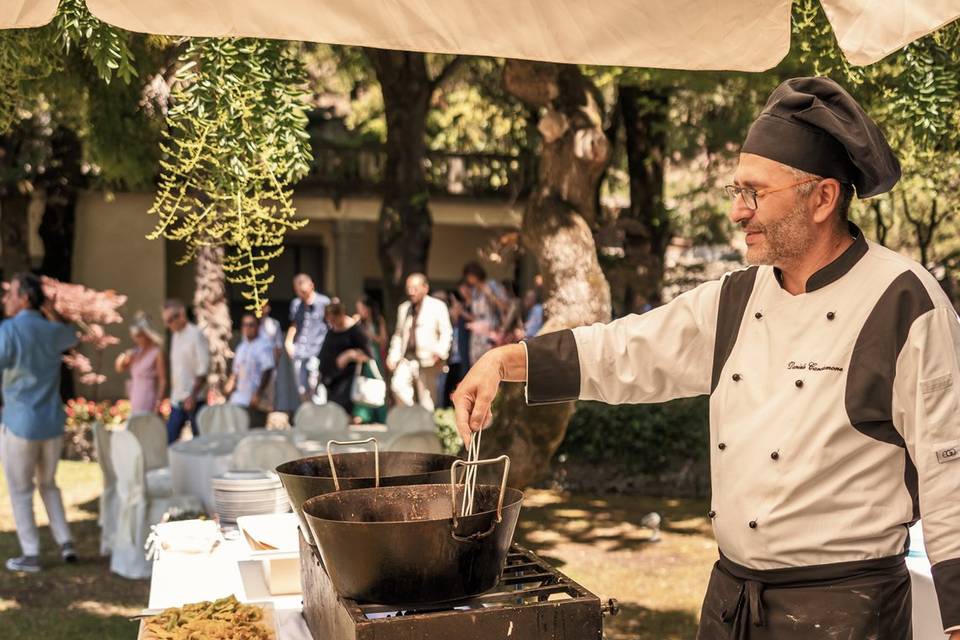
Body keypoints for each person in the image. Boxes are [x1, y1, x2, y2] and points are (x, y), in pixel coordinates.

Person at [453, 77, 960, 640]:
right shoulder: (736, 297)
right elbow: (626, 350)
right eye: (735, 191)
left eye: (756, 193)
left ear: (822, 198)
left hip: (847, 611)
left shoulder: (904, 301)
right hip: (731, 603)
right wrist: (505, 361)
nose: (739, 212)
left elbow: (950, 472)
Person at [0, 273, 78, 572]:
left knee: (21, 490)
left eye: (11, 294)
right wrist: (51, 309)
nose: (6, 299)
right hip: (51, 422)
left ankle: (31, 553)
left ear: (25, 298)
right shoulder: (51, 329)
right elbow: (71, 335)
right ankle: (66, 543)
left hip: (20, 423)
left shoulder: (10, 329)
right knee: (48, 484)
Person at [387, 273, 453, 411]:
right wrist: (393, 356)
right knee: (397, 386)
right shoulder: (404, 308)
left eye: (415, 288)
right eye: (409, 288)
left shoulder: (437, 306)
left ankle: (425, 429)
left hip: (428, 360)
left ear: (425, 288)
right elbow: (398, 335)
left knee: (427, 400)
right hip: (407, 358)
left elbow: (446, 332)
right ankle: (411, 418)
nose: (411, 292)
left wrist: (440, 352)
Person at [162, 299, 209, 443]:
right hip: (177, 400)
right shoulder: (175, 336)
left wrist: (193, 396)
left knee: (199, 444)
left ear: (181, 313)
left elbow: (203, 369)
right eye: (166, 321)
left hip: (195, 400)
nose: (169, 324)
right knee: (169, 442)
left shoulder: (196, 334)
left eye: (171, 319)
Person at [317, 302, 370, 416]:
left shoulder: (355, 330)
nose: (332, 323)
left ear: (341, 314)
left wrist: (349, 355)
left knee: (342, 412)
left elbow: (367, 355)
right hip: (332, 380)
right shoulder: (331, 332)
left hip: (348, 381)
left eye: (334, 319)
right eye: (329, 320)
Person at [285, 274, 331, 403]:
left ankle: (320, 417)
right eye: (298, 292)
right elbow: (294, 324)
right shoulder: (296, 304)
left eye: (304, 292)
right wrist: (288, 342)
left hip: (316, 351)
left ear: (311, 286)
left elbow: (331, 326)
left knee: (315, 385)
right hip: (299, 350)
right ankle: (309, 417)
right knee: (301, 389)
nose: (302, 295)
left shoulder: (324, 302)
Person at [225, 313, 275, 427]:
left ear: (257, 326)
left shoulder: (264, 345)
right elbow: (236, 372)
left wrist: (258, 394)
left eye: (251, 325)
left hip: (256, 402)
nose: (247, 328)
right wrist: (228, 388)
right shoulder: (241, 347)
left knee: (254, 435)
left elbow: (267, 370)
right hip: (238, 400)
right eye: (245, 325)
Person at [114, 313, 166, 415]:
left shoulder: (157, 352)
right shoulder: (136, 352)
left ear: (147, 335)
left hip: (148, 395)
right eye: (134, 336)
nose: (136, 339)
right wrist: (124, 356)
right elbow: (119, 368)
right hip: (135, 394)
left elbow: (163, 380)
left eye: (139, 336)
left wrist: (158, 402)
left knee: (144, 425)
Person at [462, 262, 509, 364]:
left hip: (490, 331)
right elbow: (476, 315)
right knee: (475, 364)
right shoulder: (474, 291)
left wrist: (490, 295)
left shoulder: (492, 285)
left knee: (489, 362)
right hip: (477, 334)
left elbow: (505, 307)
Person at [353, 295, 388, 423]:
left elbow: (383, 341)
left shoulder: (379, 320)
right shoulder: (357, 321)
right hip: (363, 359)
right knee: (363, 384)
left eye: (361, 308)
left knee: (377, 384)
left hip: (375, 358)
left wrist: (369, 334)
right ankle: (362, 415)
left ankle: (380, 415)